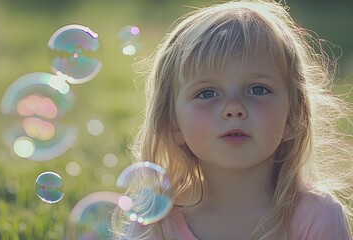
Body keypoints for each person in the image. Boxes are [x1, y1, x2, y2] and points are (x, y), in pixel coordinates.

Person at [112, 0, 353, 239]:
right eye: (207, 93)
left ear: (294, 116)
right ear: (172, 122)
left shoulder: (317, 218)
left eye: (258, 89)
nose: (234, 108)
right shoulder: (157, 222)